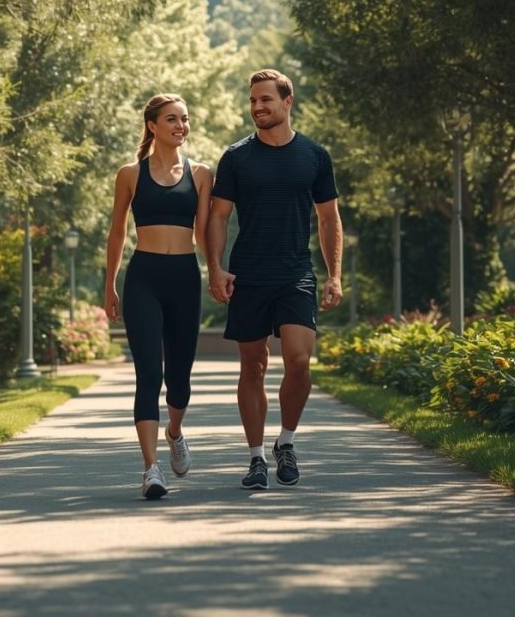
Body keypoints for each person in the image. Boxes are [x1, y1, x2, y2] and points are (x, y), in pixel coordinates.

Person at [206, 69, 343, 490]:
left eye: (265, 99)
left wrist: (335, 275)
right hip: (248, 274)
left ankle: (286, 441)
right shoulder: (236, 157)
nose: (257, 107)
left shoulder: (314, 156)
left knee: (299, 361)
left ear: (287, 101)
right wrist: (215, 268)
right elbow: (218, 216)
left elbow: (329, 219)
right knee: (253, 365)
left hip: (295, 272)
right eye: (252, 100)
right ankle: (256, 457)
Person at [104, 93, 213, 500]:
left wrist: (217, 271)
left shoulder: (201, 174)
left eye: (185, 119)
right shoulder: (130, 174)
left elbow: (204, 232)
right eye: (172, 119)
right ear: (152, 125)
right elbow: (118, 231)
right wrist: (110, 285)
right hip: (144, 278)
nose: (181, 126)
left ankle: (175, 432)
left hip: (185, 277)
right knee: (149, 373)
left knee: (179, 379)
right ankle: (151, 469)